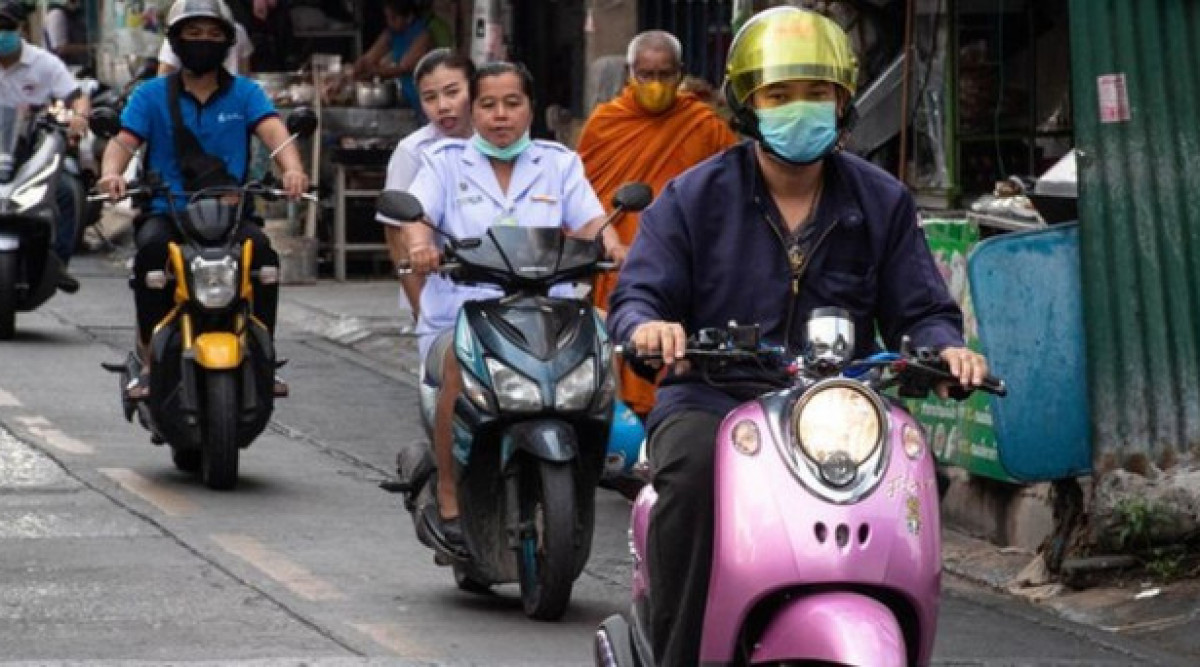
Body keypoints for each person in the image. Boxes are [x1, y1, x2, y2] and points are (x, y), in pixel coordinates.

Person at [606, 8, 991, 666]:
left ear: (843, 101)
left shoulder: (882, 199)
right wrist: (650, 325)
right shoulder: (694, 196)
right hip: (714, 398)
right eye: (779, 95)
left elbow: (920, 307)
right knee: (696, 475)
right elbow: (640, 291)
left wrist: (944, 346)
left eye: (817, 93)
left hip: (837, 407)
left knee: (909, 473)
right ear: (746, 105)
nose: (800, 110)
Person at [403, 62, 622, 551]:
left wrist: (615, 246)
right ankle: (448, 494)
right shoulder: (443, 162)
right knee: (460, 365)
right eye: (488, 104)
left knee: (608, 349)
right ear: (472, 110)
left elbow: (591, 222)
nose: (500, 116)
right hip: (461, 314)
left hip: (548, 314)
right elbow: (415, 216)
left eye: (512, 103)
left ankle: (598, 461)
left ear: (530, 108)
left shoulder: (559, 162)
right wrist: (421, 245)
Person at [96, 0, 308, 399]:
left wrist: (292, 170)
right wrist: (111, 173)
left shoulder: (246, 93)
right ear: (175, 41)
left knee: (263, 257)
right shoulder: (150, 95)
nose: (202, 42)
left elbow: (276, 134)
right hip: (167, 211)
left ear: (227, 42)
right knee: (150, 257)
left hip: (230, 214)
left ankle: (263, 356)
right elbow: (122, 143)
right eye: (192, 34)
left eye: (212, 35)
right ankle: (148, 362)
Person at [576, 30, 737, 418]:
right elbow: (582, 196)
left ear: (680, 74)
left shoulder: (703, 124)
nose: (655, 85)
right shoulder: (605, 124)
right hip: (623, 259)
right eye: (645, 75)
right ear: (630, 74)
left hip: (689, 263)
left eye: (665, 75)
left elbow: (732, 192)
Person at [376, 48, 474, 327]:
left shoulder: (496, 146)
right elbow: (396, 234)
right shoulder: (413, 151)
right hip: (437, 293)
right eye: (430, 98)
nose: (442, 106)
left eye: (453, 92)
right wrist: (421, 310)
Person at [0, 0, 89, 291]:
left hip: (32, 154)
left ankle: (58, 262)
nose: (1, 34)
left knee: (66, 190)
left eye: (6, 27)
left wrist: (79, 117)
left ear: (22, 29)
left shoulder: (45, 63)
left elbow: (77, 96)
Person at [353, 0, 432, 113]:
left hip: (421, 96)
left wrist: (373, 72)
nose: (390, 22)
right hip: (405, 95)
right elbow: (369, 58)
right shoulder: (392, 33)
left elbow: (403, 68)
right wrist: (357, 68)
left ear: (409, 17)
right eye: (387, 18)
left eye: (394, 18)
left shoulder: (423, 36)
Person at [157, 8, 254, 76]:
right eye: (195, 34)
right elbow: (164, 76)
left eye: (215, 34)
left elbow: (244, 74)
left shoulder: (237, 31)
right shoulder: (179, 32)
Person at [42, 0, 90, 70]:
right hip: (61, 70)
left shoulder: (70, 14)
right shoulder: (57, 14)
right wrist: (90, 48)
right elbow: (61, 48)